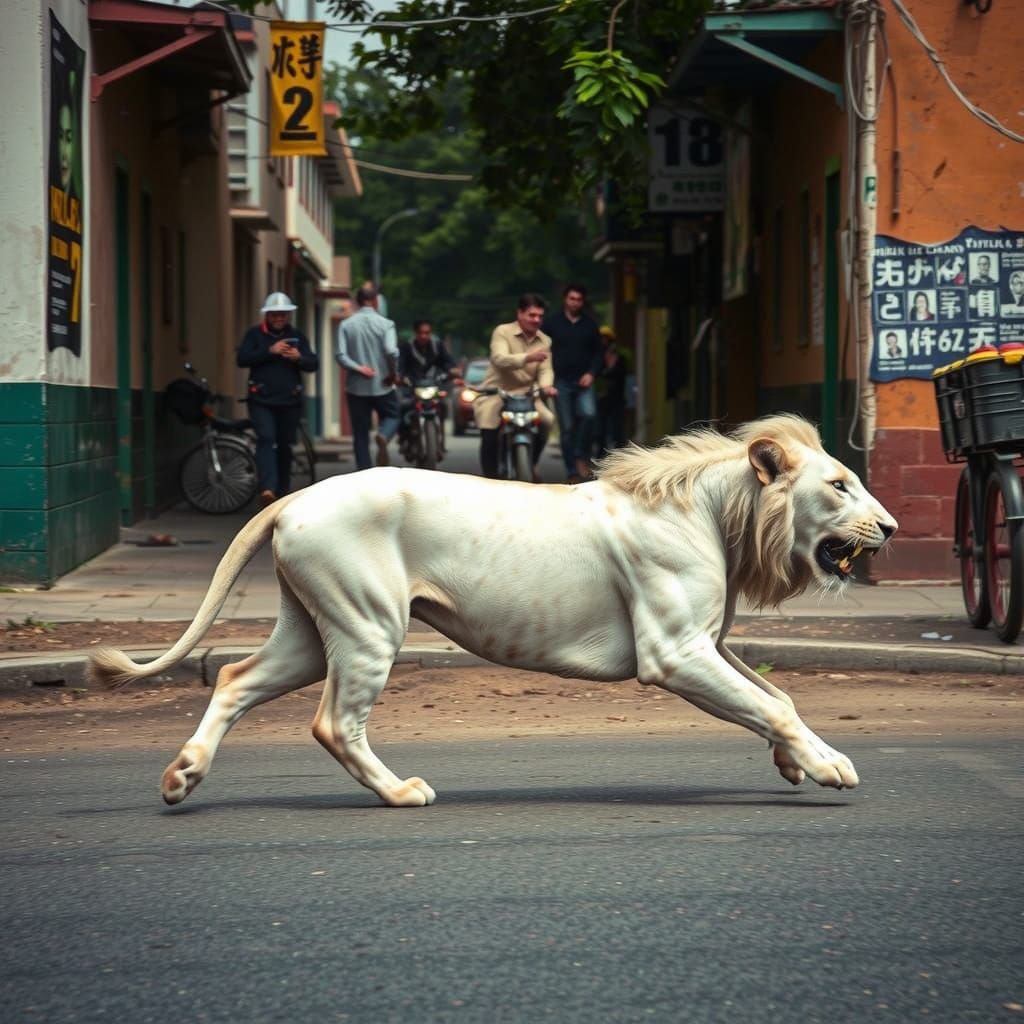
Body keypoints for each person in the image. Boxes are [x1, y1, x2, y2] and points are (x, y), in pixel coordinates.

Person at [236, 292, 318, 506]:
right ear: (267, 315)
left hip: (290, 401)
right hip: (261, 400)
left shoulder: (297, 336)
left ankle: (282, 492)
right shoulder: (254, 334)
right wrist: (269, 351)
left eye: (283, 315)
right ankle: (267, 489)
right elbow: (242, 359)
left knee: (284, 445)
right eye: (274, 315)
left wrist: (299, 357)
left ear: (288, 315)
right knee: (266, 439)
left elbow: (313, 363)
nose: (279, 319)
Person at [476, 293, 557, 481]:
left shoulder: (545, 340)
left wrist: (546, 386)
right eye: (531, 315)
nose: (536, 320)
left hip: (527, 395)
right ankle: (489, 479)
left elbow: (546, 369)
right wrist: (528, 358)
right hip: (497, 392)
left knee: (547, 420)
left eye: (540, 316)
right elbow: (499, 359)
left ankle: (531, 462)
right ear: (519, 313)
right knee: (489, 429)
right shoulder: (502, 332)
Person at [336, 284, 400, 470]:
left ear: (357, 302)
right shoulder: (386, 324)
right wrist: (392, 373)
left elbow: (340, 355)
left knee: (360, 433)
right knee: (393, 416)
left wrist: (359, 368)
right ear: (375, 301)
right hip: (383, 385)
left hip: (356, 388)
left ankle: (363, 471)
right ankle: (384, 435)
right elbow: (391, 351)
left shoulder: (346, 325)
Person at [543, 284, 603, 483]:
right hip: (560, 382)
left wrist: (591, 373)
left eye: (579, 299)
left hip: (583, 381)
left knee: (589, 415)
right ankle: (571, 470)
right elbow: (542, 349)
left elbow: (598, 354)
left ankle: (580, 455)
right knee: (567, 427)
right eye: (572, 298)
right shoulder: (552, 323)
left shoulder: (590, 325)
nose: (575, 303)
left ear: (583, 302)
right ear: (565, 299)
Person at [397, 320, 459, 450]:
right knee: (403, 407)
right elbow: (400, 365)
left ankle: (440, 438)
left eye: (427, 333)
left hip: (433, 384)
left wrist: (452, 370)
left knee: (442, 405)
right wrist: (399, 377)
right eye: (421, 333)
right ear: (415, 333)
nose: (424, 336)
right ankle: (404, 438)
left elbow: (447, 361)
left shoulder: (437, 345)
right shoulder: (407, 347)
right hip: (413, 385)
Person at [594, 325, 628, 456]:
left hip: (617, 397)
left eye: (606, 338)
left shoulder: (620, 357)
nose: (604, 341)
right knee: (600, 429)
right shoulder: (597, 357)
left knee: (617, 428)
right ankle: (600, 454)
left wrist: (611, 366)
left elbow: (621, 375)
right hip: (601, 397)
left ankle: (619, 455)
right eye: (601, 338)